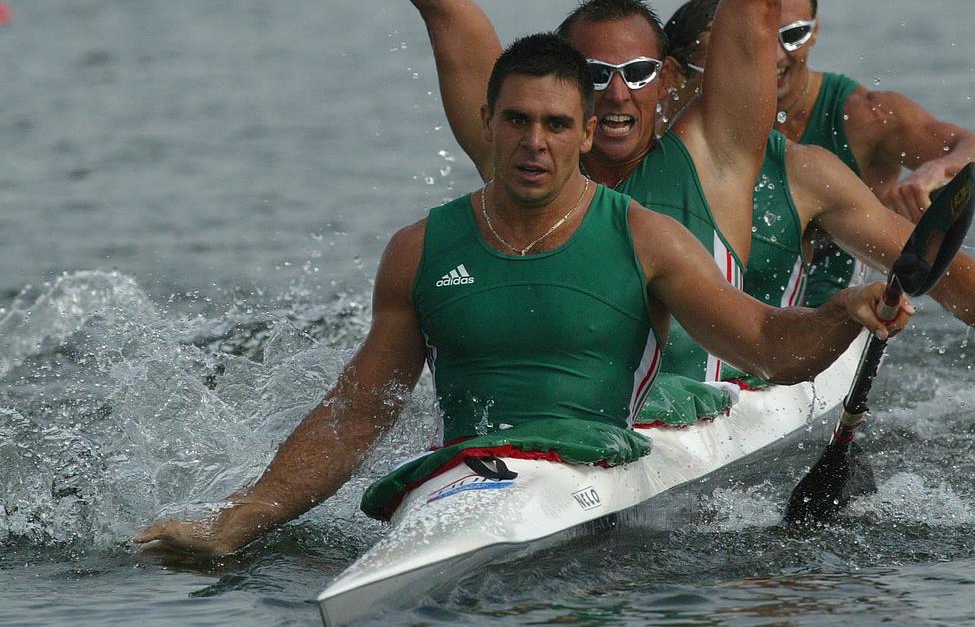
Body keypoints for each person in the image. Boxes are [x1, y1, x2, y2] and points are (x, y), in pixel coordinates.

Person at [134, 35, 912, 556]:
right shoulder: (419, 250)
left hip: (597, 481)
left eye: (556, 124)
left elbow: (769, 350)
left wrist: (841, 314)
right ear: (488, 124)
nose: (535, 142)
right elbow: (359, 411)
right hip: (464, 482)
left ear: (585, 135)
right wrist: (242, 519)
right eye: (517, 120)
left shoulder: (648, 240)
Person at [339, 0, 823, 382]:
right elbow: (446, 7)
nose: (617, 93)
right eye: (596, 75)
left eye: (638, 72)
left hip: (698, 423)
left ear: (669, 80)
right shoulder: (527, 153)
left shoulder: (715, 160)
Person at [660, 0, 975, 384]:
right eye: (734, 66)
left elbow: (940, 254)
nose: (768, 66)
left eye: (790, 36)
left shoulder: (838, 141)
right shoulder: (636, 147)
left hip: (790, 334)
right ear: (670, 78)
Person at [717, 0, 975, 306]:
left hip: (835, 311)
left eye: (794, 35)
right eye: (763, 35)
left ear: (816, 31)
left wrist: (940, 170)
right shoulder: (698, 111)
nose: (777, 55)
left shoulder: (865, 118)